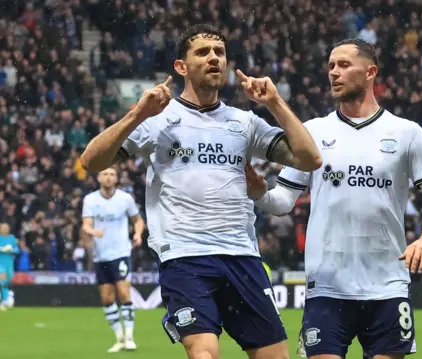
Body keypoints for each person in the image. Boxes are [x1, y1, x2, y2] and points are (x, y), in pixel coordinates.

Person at [80, 24, 321, 359]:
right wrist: (137, 114)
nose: (214, 58)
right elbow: (90, 161)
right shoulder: (158, 120)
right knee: (204, 353)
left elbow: (310, 159)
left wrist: (276, 103)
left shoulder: (244, 122)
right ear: (181, 66)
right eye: (203, 52)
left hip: (242, 255)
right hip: (185, 256)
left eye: (219, 52)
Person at [245, 38, 422, 359]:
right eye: (331, 66)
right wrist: (257, 189)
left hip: (387, 285)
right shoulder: (312, 132)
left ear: (370, 72)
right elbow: (283, 202)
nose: (334, 72)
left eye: (344, 65)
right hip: (327, 287)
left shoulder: (406, 133)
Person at [81, 166, 145, 352]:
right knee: (107, 298)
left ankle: (129, 336)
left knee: (124, 293)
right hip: (101, 255)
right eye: (105, 174)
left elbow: (138, 220)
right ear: (99, 178)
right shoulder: (90, 200)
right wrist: (93, 231)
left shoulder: (125, 199)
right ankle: (118, 338)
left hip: (121, 252)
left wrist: (138, 235)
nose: (108, 178)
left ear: (116, 179)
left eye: (112, 174)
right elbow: (86, 225)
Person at [0, 223, 18, 310]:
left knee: (7, 282)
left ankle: (7, 297)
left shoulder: (11, 238)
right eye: (3, 228)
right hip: (0, 263)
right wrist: (1, 249)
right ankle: (4, 301)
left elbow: (16, 250)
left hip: (9, 263)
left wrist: (11, 249)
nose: (4, 229)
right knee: (2, 281)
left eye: (6, 228)